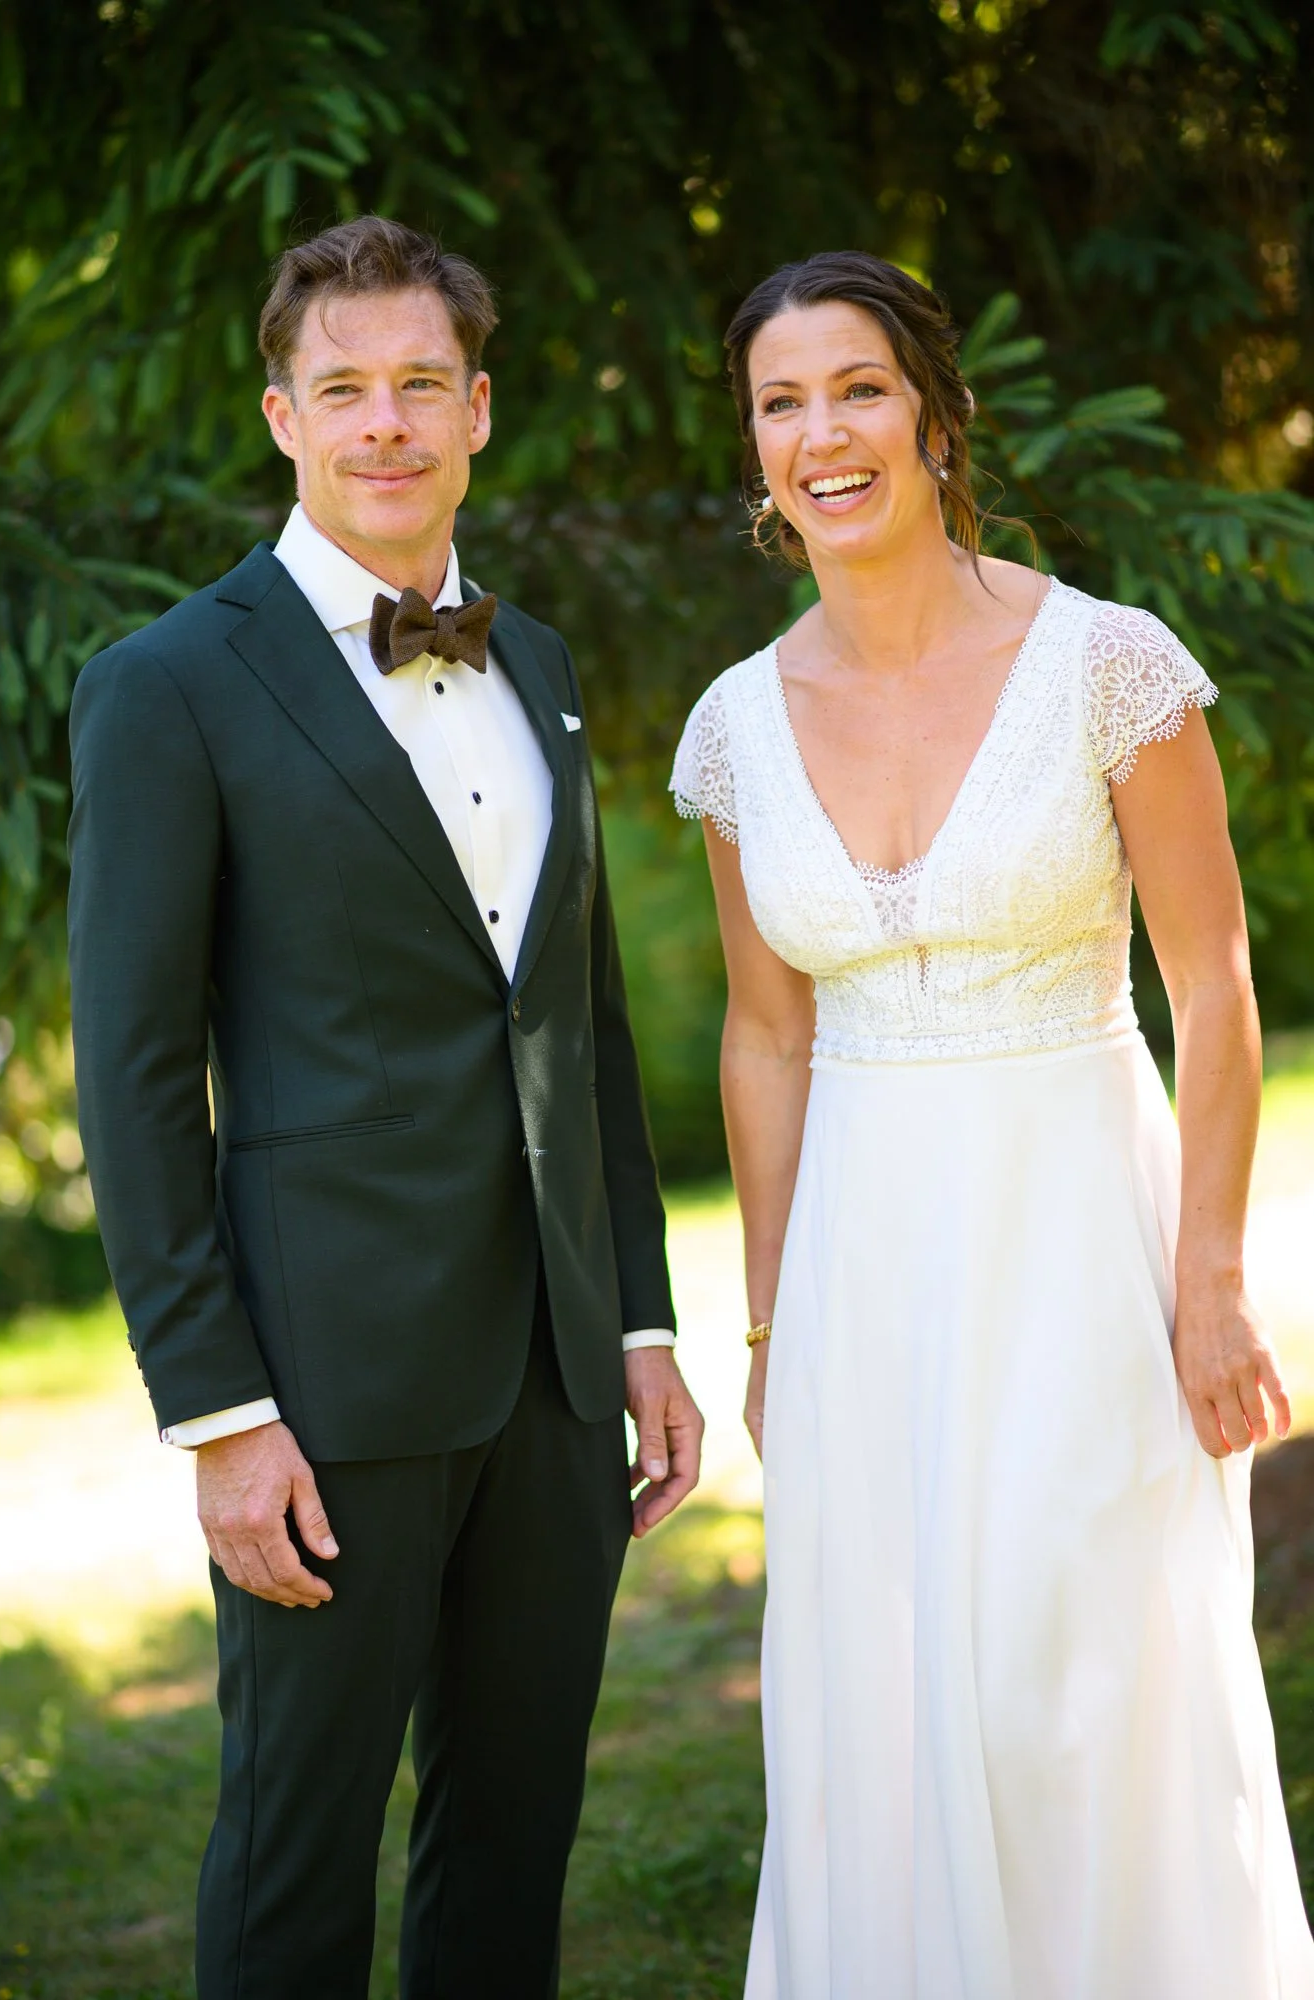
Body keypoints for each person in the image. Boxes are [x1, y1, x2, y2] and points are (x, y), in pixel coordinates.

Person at [67, 214, 703, 2000]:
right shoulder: (168, 686)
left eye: (424, 382)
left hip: (558, 1384)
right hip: (323, 1388)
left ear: (481, 408)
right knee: (293, 1863)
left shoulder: (542, 668)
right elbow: (129, 1082)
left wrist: (638, 1321)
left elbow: (578, 1027)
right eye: (342, 388)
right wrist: (217, 1412)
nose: (386, 424)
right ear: (282, 415)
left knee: (511, 1852)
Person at [670, 250, 1314, 1999]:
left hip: (1080, 1242)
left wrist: (1208, 1279)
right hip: (863, 1282)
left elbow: (1219, 984)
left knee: (1081, 1687)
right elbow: (765, 1033)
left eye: (858, 388)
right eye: (780, 405)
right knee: (878, 1708)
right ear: (756, 453)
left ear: (936, 416)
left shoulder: (1107, 667)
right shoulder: (736, 728)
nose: (822, 436)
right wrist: (770, 1325)